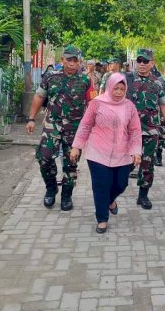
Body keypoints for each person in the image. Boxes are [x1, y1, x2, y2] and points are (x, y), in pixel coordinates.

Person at [70, 73, 142, 233]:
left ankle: (110, 201)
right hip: (98, 152)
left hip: (122, 153)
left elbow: (135, 131)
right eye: (115, 88)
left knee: (121, 184)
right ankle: (102, 219)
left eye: (122, 89)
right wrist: (77, 146)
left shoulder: (129, 106)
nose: (118, 92)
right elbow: (85, 125)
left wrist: (136, 151)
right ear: (109, 87)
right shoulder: (97, 103)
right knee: (101, 185)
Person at [26, 46, 90, 211]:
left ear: (79, 62)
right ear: (62, 60)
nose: (71, 63)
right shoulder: (50, 77)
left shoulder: (86, 80)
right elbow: (39, 96)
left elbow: (93, 104)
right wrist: (31, 119)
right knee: (44, 158)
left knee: (71, 163)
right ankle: (51, 187)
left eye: (75, 60)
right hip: (52, 125)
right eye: (68, 60)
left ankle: (66, 196)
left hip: (75, 128)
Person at [129, 48, 165, 209]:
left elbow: (164, 104)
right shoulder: (127, 80)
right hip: (129, 130)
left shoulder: (157, 82)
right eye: (139, 60)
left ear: (152, 63)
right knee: (124, 162)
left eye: (145, 61)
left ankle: (143, 195)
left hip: (150, 129)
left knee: (148, 163)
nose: (141, 64)